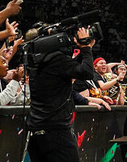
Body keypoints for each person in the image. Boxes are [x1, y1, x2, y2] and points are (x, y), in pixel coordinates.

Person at [26, 27, 98, 162]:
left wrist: (85, 49)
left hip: (38, 129)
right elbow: (86, 73)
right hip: (56, 131)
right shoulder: (57, 60)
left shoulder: (40, 61)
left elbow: (73, 69)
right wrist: (86, 49)